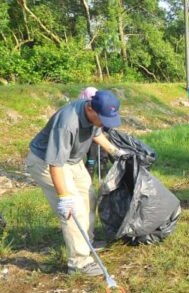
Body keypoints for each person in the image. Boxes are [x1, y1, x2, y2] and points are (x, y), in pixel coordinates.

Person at [26, 90, 128, 276]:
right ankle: (79, 263)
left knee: (89, 198)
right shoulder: (67, 123)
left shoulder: (95, 114)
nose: (105, 123)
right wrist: (64, 197)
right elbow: (55, 164)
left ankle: (86, 242)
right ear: (90, 108)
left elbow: (96, 134)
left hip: (72, 160)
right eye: (103, 118)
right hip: (46, 162)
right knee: (74, 209)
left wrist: (116, 151)